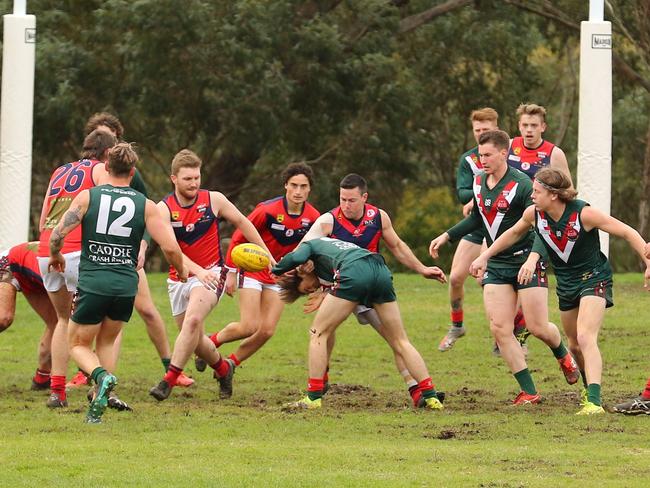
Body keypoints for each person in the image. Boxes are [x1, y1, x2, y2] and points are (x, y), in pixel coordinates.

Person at [469, 167, 650, 414]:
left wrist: (648, 261)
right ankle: (588, 389)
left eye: (537, 191)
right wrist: (485, 256)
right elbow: (511, 234)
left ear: (553, 194)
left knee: (586, 336)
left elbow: (627, 232)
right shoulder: (534, 214)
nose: (531, 195)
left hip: (593, 277)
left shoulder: (584, 213)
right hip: (566, 283)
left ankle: (594, 402)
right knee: (574, 344)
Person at [429, 130, 579, 405]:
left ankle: (562, 355)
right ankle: (530, 392)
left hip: (527, 260)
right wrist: (447, 235)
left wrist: (533, 259)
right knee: (499, 327)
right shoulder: (478, 183)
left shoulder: (523, 185)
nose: (482, 160)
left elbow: (542, 228)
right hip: (497, 264)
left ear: (503, 153)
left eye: (487, 155)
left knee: (536, 327)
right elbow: (478, 219)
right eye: (480, 155)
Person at [48, 142, 186, 423]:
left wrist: (56, 255)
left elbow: (56, 234)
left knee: (77, 344)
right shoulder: (146, 206)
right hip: (126, 285)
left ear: (107, 167)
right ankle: (100, 399)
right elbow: (171, 247)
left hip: (94, 282)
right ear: (133, 171)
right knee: (107, 341)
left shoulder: (88, 197)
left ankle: (102, 377)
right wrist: (181, 270)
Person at [66, 113, 193, 389]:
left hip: (125, 259)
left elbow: (150, 214)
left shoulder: (126, 174)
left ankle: (170, 367)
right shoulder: (86, 174)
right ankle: (91, 374)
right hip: (106, 264)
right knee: (104, 322)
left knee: (145, 311)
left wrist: (144, 246)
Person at [299, 173, 446, 406]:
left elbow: (396, 245)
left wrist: (421, 268)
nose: (346, 205)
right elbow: (304, 252)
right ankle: (321, 380)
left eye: (352, 200)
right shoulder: (328, 221)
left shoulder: (378, 217)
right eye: (342, 199)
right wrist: (319, 284)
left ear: (364, 197)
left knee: (395, 340)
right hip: (342, 285)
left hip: (369, 287)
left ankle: (417, 391)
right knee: (323, 332)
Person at [149, 149, 273, 401]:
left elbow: (243, 221)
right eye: (187, 179)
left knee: (193, 322)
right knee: (196, 341)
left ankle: (168, 380)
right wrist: (196, 271)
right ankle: (224, 368)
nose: (194, 183)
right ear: (174, 179)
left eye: (197, 177)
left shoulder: (213, 199)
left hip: (212, 274)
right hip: (180, 278)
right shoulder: (163, 209)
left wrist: (267, 253)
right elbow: (171, 249)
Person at [272, 237, 446, 410]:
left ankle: (313, 398)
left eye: (307, 288)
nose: (312, 290)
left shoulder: (309, 245)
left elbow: (294, 258)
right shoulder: (330, 249)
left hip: (353, 271)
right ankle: (431, 397)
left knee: (317, 333)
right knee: (401, 341)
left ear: (300, 273)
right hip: (380, 269)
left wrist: (276, 269)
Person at [205, 163, 319, 396]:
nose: (298, 191)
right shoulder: (267, 210)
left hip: (279, 277)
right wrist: (231, 272)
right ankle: (209, 344)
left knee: (266, 331)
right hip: (254, 269)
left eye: (303, 186)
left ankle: (230, 365)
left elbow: (315, 248)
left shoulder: (313, 217)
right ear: (286, 185)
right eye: (294, 185)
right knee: (249, 326)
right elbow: (238, 237)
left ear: (309, 190)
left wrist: (310, 264)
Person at [36, 128, 118, 408]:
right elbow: (108, 208)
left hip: (47, 250)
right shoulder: (99, 171)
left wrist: (51, 248)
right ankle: (102, 385)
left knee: (63, 320)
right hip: (78, 251)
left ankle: (57, 392)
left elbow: (43, 218)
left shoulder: (59, 171)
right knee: (108, 321)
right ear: (107, 153)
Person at [438, 107, 500, 352]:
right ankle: (457, 325)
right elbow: (462, 191)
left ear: (496, 128)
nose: (481, 134)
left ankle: (503, 333)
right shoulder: (469, 159)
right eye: (477, 130)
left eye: (486, 129)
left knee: (487, 280)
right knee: (455, 277)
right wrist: (476, 198)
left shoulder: (507, 156)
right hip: (477, 223)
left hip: (500, 227)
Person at [0, 242, 57, 390]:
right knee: (3, 318)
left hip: (36, 274)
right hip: (11, 262)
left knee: (59, 324)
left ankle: (42, 378)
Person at [507, 103, 571, 180]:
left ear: (543, 127)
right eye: (525, 125)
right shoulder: (508, 146)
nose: (529, 130)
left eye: (534, 125)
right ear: (519, 126)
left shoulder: (555, 154)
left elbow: (568, 190)